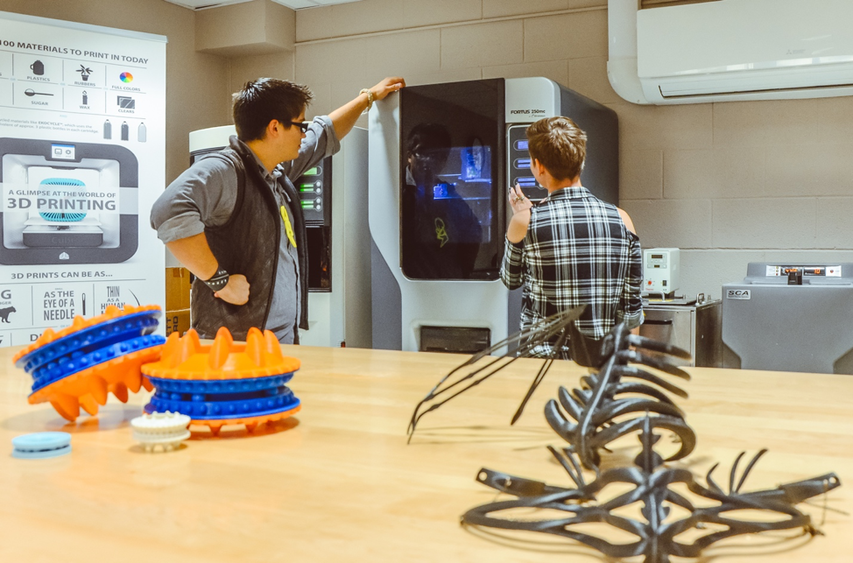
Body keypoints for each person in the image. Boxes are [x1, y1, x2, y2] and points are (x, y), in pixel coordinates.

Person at [151, 76, 406, 343]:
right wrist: (220, 281)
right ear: (275, 127)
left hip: (277, 336)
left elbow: (324, 133)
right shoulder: (225, 170)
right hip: (234, 343)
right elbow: (168, 210)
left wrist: (369, 97)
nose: (304, 133)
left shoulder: (274, 171)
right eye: (299, 125)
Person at [500, 116, 642, 359]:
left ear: (539, 166)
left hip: (542, 362)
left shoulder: (525, 222)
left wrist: (523, 217)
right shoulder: (622, 219)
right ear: (582, 160)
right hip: (599, 362)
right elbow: (631, 305)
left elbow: (510, 279)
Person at [400, 123, 482, 279]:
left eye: (438, 155)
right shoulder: (396, 189)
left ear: (444, 161)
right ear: (409, 155)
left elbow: (473, 230)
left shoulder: (446, 191)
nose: (429, 160)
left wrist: (460, 271)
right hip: (409, 283)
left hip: (446, 281)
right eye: (423, 152)